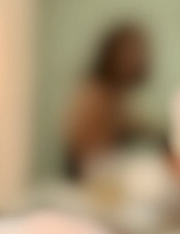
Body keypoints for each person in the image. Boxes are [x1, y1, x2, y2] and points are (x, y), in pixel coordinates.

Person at [62, 17, 154, 178]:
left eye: (139, 52)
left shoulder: (116, 94)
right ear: (111, 54)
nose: (135, 60)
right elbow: (87, 153)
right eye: (129, 53)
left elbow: (132, 124)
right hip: (89, 180)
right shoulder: (95, 93)